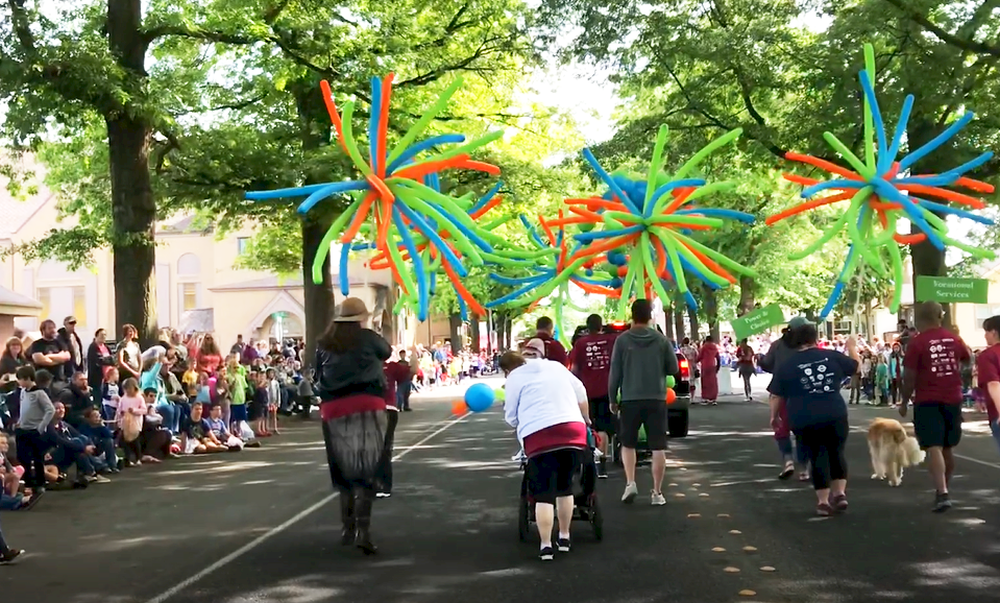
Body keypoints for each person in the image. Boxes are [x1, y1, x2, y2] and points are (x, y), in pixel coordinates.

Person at [314, 297, 393, 555]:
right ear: (361, 317)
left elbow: (317, 375)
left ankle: (347, 528)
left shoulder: (324, 343)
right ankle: (364, 530)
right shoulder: (368, 337)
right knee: (368, 464)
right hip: (367, 403)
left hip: (334, 408)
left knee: (343, 465)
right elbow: (387, 352)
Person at [502, 348, 591, 561]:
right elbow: (581, 393)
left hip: (539, 435)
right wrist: (586, 419)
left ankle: (545, 545)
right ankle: (565, 537)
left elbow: (511, 416)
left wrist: (520, 421)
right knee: (565, 487)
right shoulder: (555, 366)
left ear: (507, 369)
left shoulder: (514, 377)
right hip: (572, 430)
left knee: (543, 493)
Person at [768, 319, 857, 516]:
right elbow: (856, 367)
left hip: (804, 416)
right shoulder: (832, 356)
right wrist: (851, 347)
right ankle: (840, 493)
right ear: (814, 338)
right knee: (836, 452)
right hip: (835, 412)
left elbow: (776, 395)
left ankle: (823, 501)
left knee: (817, 455)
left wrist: (774, 416)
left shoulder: (787, 365)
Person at [900, 301, 970, 512]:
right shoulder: (954, 338)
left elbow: (909, 376)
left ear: (920, 319)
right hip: (953, 398)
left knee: (934, 446)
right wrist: (957, 376)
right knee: (947, 447)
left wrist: (904, 401)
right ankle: (944, 487)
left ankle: (942, 492)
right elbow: (967, 359)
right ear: (940, 316)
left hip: (927, 400)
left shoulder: (917, 342)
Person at [608, 299, 678, 506]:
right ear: (650, 316)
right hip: (656, 398)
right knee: (658, 447)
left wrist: (613, 398)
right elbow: (673, 368)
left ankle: (630, 482)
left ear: (632, 315)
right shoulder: (661, 340)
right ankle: (657, 492)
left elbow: (615, 374)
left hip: (630, 398)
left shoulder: (622, 341)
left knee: (628, 443)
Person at [568, 313, 619, 478]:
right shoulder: (611, 340)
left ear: (587, 327)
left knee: (590, 427)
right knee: (604, 429)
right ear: (601, 325)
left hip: (586, 393)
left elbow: (574, 368)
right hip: (607, 390)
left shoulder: (581, 344)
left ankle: (590, 461)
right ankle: (602, 465)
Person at [761, 322, 811, 481]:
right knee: (803, 432)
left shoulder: (777, 345)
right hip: (804, 393)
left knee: (781, 429)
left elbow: (768, 365)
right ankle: (803, 468)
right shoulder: (807, 347)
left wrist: (760, 359)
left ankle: (788, 460)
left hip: (780, 391)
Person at [13, 366, 55, 503]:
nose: (18, 382)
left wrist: (41, 426)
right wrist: (19, 421)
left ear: (27, 379)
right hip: (23, 429)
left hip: (34, 430)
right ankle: (29, 482)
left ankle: (40, 483)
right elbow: (22, 408)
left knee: (37, 458)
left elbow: (50, 410)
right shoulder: (23, 392)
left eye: (20, 379)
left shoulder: (40, 393)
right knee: (22, 457)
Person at [977, 315, 1000, 453]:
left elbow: (994, 384)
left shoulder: (988, 355)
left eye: (986, 332)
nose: (985, 336)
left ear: (994, 332)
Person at [29, 319, 72, 393]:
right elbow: (39, 359)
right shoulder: (37, 344)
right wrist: (59, 358)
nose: (53, 330)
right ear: (43, 330)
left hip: (59, 380)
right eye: (49, 328)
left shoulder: (59, 342)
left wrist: (49, 356)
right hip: (43, 382)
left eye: (53, 328)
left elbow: (67, 356)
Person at [696, 335, 720, 405]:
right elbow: (718, 357)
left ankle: (705, 398)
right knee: (713, 383)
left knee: (705, 382)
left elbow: (700, 356)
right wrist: (718, 366)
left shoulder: (704, 347)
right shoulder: (715, 347)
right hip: (713, 365)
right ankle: (713, 398)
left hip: (705, 365)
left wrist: (695, 361)